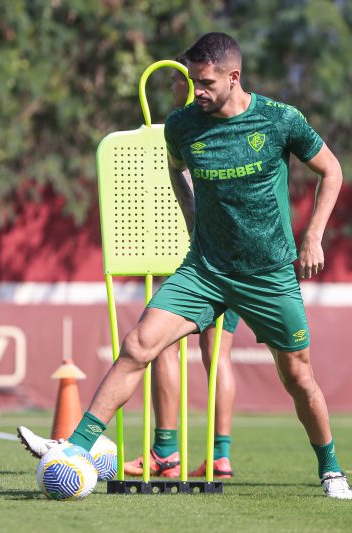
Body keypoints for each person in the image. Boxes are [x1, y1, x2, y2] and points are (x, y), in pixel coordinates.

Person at [19, 32, 352, 499]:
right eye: (193, 81)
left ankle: (332, 469)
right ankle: (75, 447)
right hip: (205, 271)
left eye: (206, 82)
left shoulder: (281, 120)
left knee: (298, 376)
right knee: (138, 345)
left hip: (268, 274)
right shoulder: (182, 125)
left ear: (234, 77)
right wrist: (192, 216)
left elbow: (332, 171)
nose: (197, 91)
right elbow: (177, 169)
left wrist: (314, 235)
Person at [123, 53, 240, 480]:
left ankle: (167, 452)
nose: (181, 87)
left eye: (184, 82)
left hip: (193, 257)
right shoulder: (224, 127)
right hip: (230, 254)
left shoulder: (188, 130)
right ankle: (220, 454)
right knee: (217, 354)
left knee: (162, 345)